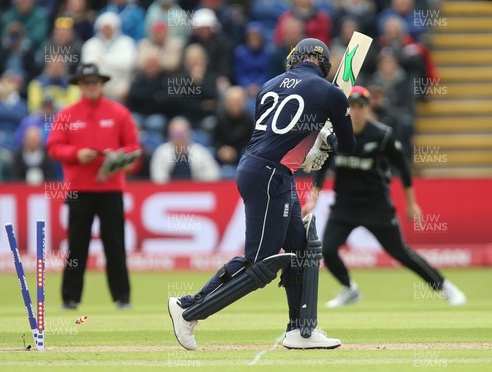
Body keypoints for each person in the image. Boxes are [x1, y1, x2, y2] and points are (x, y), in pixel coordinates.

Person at [168, 38, 356, 351]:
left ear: (294, 58)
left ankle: (301, 329)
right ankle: (188, 309)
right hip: (271, 175)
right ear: (324, 66)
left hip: (265, 170)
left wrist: (316, 140)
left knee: (302, 248)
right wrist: (326, 141)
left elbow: (277, 134)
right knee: (262, 263)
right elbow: (348, 145)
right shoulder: (331, 93)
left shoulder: (269, 84)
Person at [301, 86, 467, 308]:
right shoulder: (337, 136)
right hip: (345, 206)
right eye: (352, 106)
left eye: (360, 106)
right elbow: (322, 169)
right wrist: (313, 198)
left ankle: (444, 286)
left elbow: (404, 169)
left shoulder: (382, 135)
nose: (356, 111)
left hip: (376, 206)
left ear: (367, 107)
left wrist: (411, 203)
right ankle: (350, 289)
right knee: (328, 250)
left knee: (401, 254)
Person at [46, 63, 140, 310]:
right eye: (87, 82)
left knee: (115, 244)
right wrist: (78, 154)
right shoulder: (66, 115)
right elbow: (54, 147)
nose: (91, 86)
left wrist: (116, 155)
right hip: (80, 189)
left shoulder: (119, 113)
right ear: (79, 85)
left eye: (95, 82)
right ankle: (70, 298)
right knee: (77, 245)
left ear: (102, 84)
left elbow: (133, 148)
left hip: (110, 188)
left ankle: (123, 298)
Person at [149, 117, 220, 183]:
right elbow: (158, 177)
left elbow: (213, 174)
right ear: (169, 134)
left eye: (182, 133)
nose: (179, 137)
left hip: (195, 192)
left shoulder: (199, 151)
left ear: (189, 133)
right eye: (176, 133)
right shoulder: (161, 152)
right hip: (168, 193)